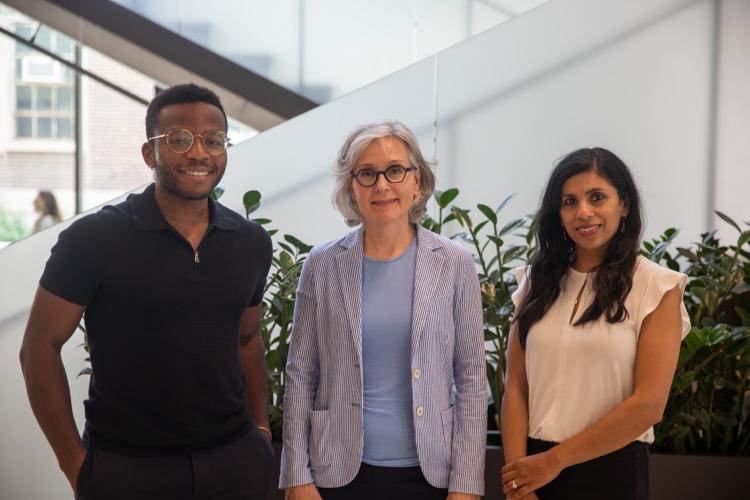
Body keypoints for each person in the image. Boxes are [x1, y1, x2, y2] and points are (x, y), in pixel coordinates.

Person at [20, 83, 275, 500]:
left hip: (234, 465)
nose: (198, 153)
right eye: (178, 139)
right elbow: (38, 347)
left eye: (213, 140)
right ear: (149, 153)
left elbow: (248, 339)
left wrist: (261, 431)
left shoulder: (249, 241)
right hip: (127, 470)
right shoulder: (94, 239)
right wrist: (74, 463)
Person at [279, 120, 486, 500]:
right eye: (367, 174)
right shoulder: (322, 264)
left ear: (417, 181)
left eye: (395, 170)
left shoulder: (455, 263)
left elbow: (472, 378)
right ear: (351, 186)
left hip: (431, 474)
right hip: (337, 473)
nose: (382, 185)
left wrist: (467, 484)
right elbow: (300, 374)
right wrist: (296, 475)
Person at [500, 148, 690, 500]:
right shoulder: (533, 283)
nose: (583, 212)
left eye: (597, 197)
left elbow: (648, 405)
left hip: (611, 471)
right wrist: (517, 481)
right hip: (530, 471)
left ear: (625, 205)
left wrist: (554, 461)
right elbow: (516, 389)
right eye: (569, 201)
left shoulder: (657, 286)